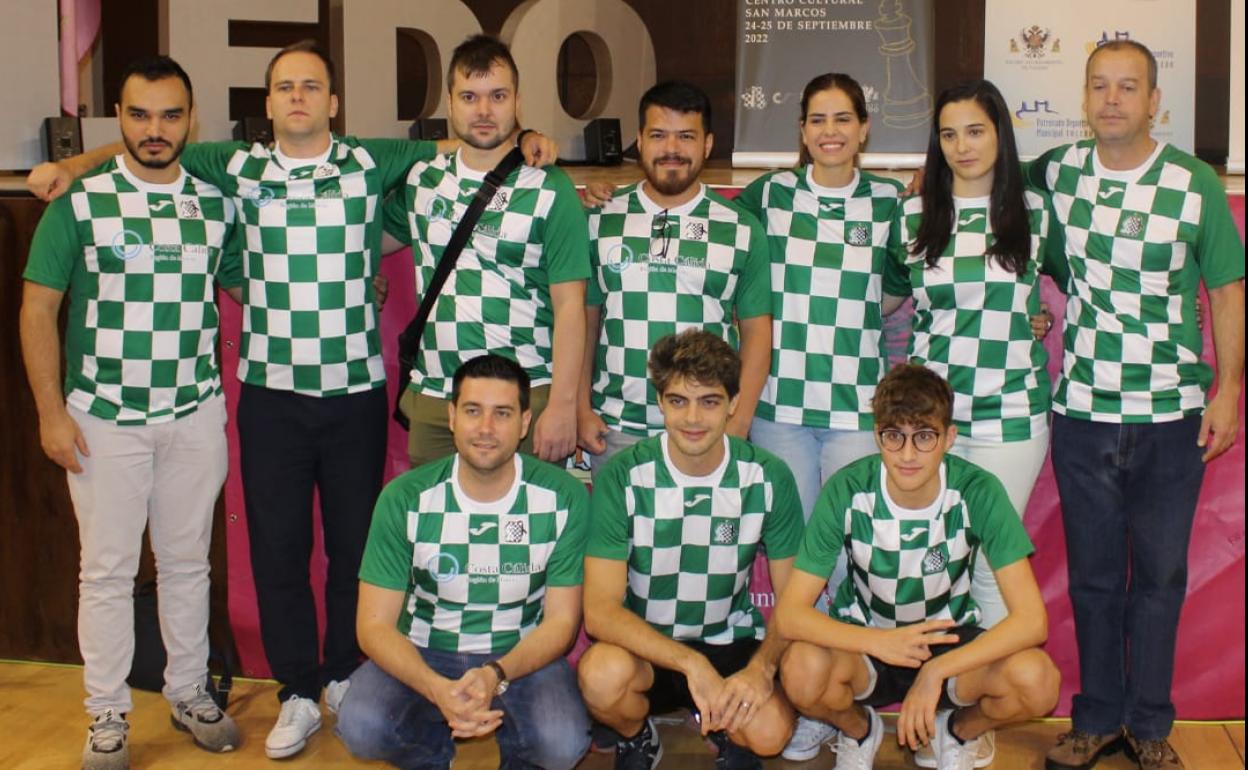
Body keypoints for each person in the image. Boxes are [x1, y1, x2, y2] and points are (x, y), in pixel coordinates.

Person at [26, 38, 559, 759]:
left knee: (352, 550)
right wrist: (70, 165)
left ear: (334, 102)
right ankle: (298, 690)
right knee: (278, 553)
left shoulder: (372, 160)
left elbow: (470, 132)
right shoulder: (233, 165)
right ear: (267, 103)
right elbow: (145, 148)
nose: (299, 98)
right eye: (284, 88)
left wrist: (529, 138)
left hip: (356, 393)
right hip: (269, 395)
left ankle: (343, 674)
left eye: (312, 86)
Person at [1028, 40, 1244, 770]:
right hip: (1083, 413)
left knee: (1158, 580)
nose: (1113, 99)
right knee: (1092, 580)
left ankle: (1149, 726)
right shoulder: (1056, 174)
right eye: (1100, 86)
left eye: (1129, 87)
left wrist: (1229, 391)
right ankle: (1096, 721)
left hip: (1173, 416)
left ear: (1156, 102)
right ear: (1084, 99)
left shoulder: (1194, 182)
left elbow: (1225, 290)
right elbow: (989, 201)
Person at [20, 55, 241, 769]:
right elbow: (37, 310)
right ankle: (107, 716)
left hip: (194, 412)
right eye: (140, 114)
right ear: (119, 117)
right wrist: (52, 414)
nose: (155, 129)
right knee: (107, 571)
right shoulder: (77, 204)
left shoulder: (213, 202)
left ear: (190, 119)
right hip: (102, 418)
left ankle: (187, 694)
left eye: (170, 115)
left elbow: (254, 282)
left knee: (186, 565)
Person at [730, 71, 905, 761]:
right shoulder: (768, 195)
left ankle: (838, 695)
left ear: (864, 129)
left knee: (846, 560)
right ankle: (809, 700)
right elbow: (692, 219)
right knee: (800, 561)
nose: (830, 131)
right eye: (817, 120)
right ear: (800, 132)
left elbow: (898, 290)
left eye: (844, 119)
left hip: (857, 411)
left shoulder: (891, 203)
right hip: (779, 410)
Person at [774, 363, 1060, 770]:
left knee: (1038, 681)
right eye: (895, 437)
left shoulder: (977, 490)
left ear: (949, 438)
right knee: (801, 671)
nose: (908, 455)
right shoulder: (848, 488)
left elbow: (1033, 622)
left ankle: (958, 731)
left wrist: (936, 672)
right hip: (868, 644)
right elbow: (789, 616)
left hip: (948, 646)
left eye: (924, 436)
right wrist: (878, 643)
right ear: (878, 437)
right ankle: (858, 731)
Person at [334, 354, 591, 770]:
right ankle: (432, 756)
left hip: (520, 655)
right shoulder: (404, 497)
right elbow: (373, 626)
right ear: (452, 416)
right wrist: (436, 688)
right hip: (425, 651)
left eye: (502, 413)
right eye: (473, 411)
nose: (486, 429)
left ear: (525, 422)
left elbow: (562, 624)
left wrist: (495, 673)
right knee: (362, 726)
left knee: (562, 744)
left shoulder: (563, 497)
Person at [886, 79, 1067, 630]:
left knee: (991, 557)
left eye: (975, 131)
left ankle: (976, 697)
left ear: (999, 136)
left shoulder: (1036, 210)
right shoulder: (911, 214)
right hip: (931, 418)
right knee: (936, 558)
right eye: (948, 134)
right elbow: (883, 299)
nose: (962, 146)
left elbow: (1093, 284)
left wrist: (1181, 306)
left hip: (1011, 412)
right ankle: (936, 695)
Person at [578, 329, 801, 770]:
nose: (693, 418)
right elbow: (599, 612)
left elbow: (794, 601)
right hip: (648, 647)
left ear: (734, 403)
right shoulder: (624, 475)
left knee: (771, 735)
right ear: (660, 402)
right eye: (679, 401)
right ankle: (637, 734)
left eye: (710, 401)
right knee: (601, 678)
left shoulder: (768, 476)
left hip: (729, 643)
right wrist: (690, 664)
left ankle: (728, 727)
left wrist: (760, 670)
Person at [386, 34, 589, 468]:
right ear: (449, 101)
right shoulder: (422, 179)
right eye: (469, 96)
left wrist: (563, 405)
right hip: (438, 397)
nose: (483, 110)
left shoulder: (550, 187)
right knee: (437, 532)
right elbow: (372, 241)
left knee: (530, 533)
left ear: (516, 100)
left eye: (497, 96)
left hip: (526, 394)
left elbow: (572, 306)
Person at [576, 81, 772, 474]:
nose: (671, 149)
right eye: (658, 135)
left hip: (708, 431)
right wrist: (580, 408)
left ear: (707, 144)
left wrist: (738, 422)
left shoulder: (742, 228)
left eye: (686, 136)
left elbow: (757, 334)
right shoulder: (601, 217)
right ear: (639, 141)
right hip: (617, 428)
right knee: (618, 538)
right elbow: (584, 323)